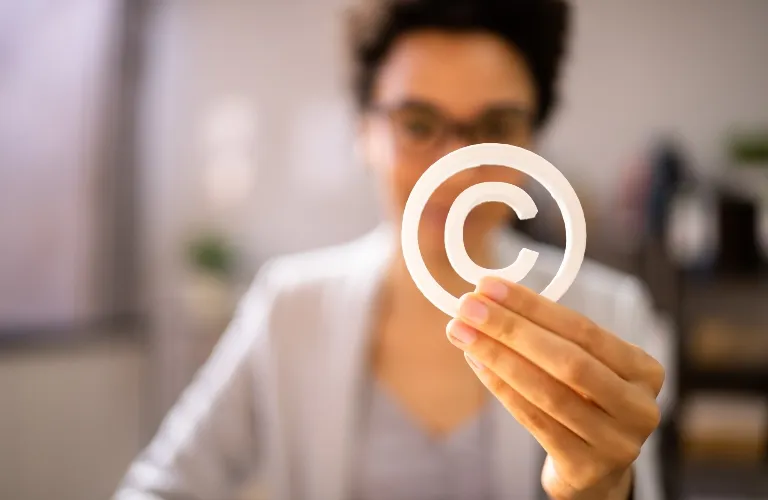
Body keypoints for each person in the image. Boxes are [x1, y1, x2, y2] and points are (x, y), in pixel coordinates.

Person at [115, 1, 668, 499]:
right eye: (418, 123)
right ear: (365, 133)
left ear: (534, 140)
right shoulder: (290, 308)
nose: (458, 170)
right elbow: (161, 486)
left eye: (496, 125)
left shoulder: (608, 315)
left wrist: (604, 491)